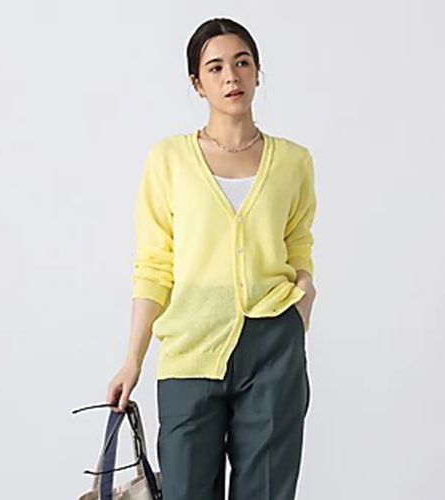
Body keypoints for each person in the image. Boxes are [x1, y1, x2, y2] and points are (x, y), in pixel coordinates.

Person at [107, 17, 317, 500]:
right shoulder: (169, 159)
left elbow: (298, 243)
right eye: (216, 67)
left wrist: (303, 300)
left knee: (267, 492)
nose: (231, 77)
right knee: (186, 489)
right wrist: (132, 359)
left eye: (242, 63)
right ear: (197, 83)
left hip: (274, 347)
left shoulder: (293, 161)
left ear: (258, 72)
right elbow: (155, 263)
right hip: (190, 350)